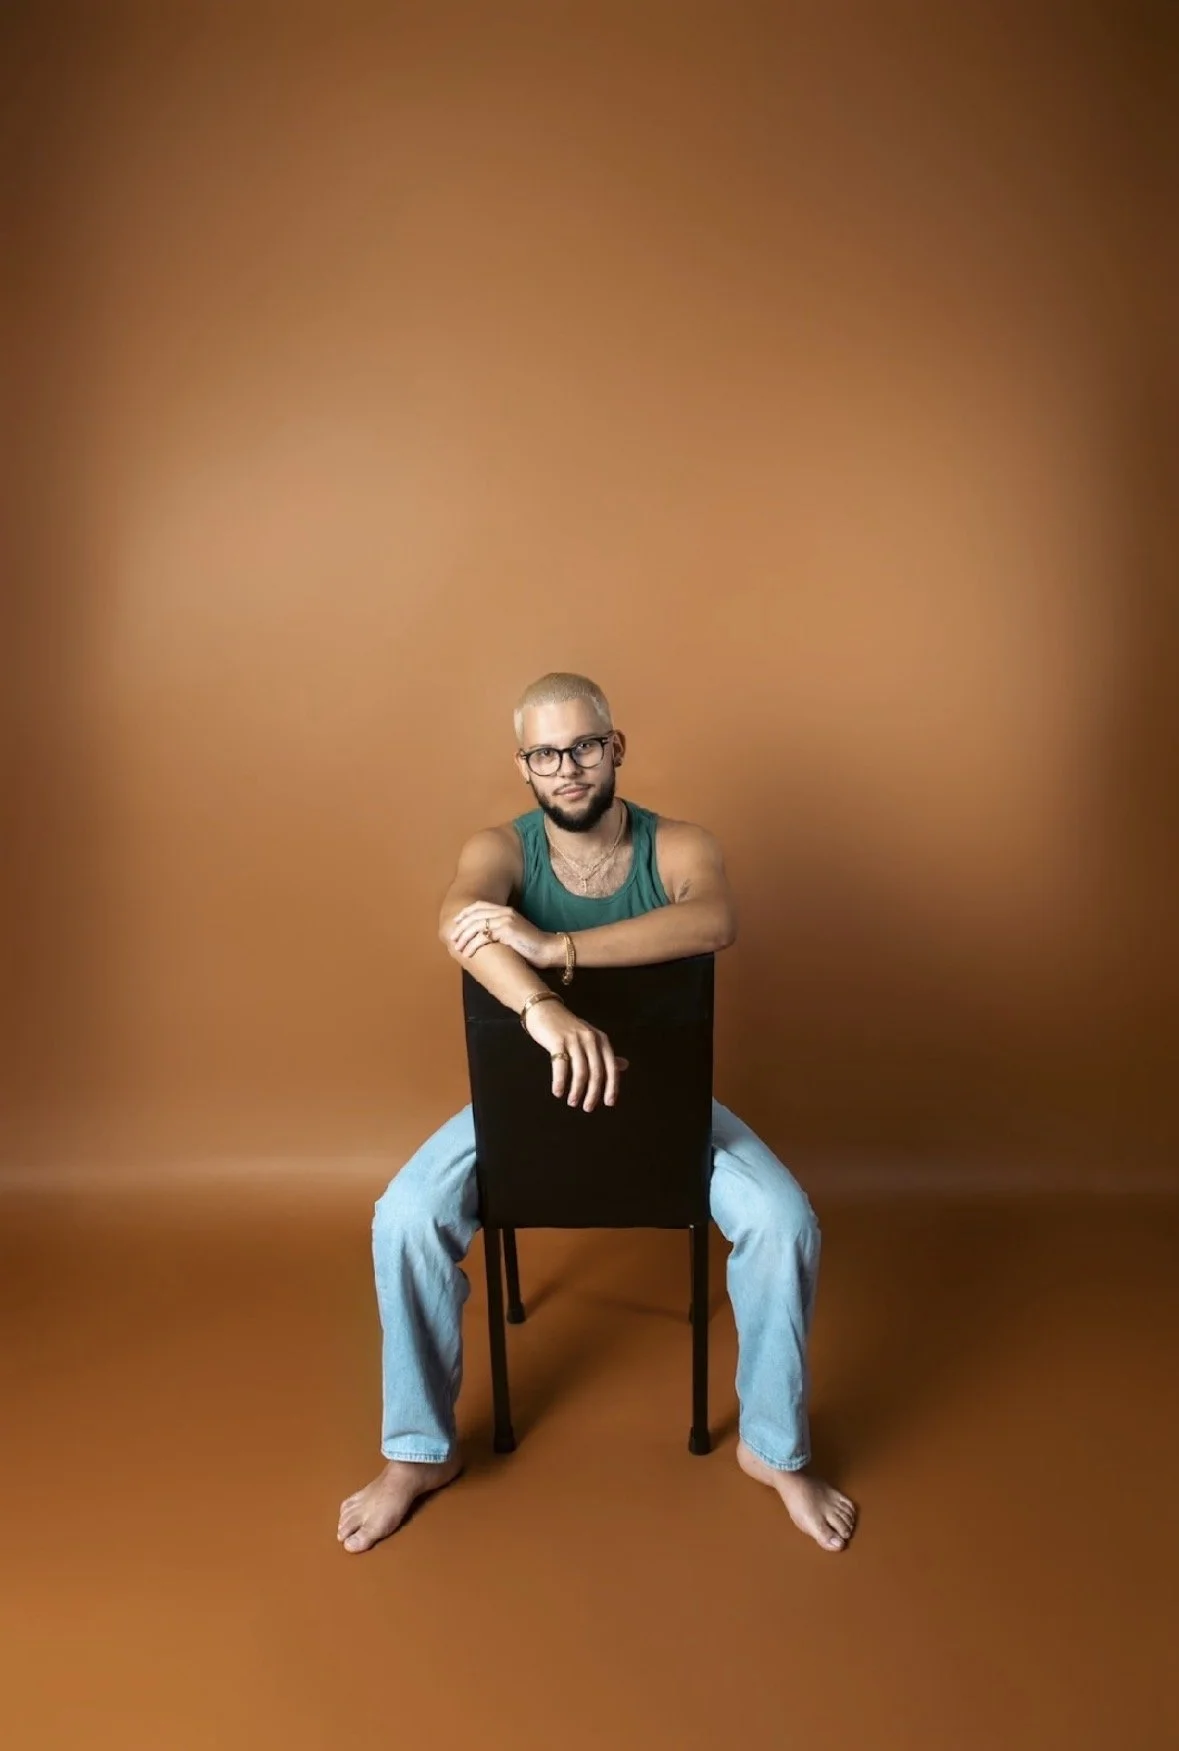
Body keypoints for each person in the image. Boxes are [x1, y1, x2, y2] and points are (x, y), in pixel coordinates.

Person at [338, 672, 857, 1555]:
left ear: (615, 747)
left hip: (663, 1094)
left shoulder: (678, 844)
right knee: (403, 1217)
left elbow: (715, 916)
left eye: (582, 746)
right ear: (524, 767)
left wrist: (552, 946)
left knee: (783, 1219)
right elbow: (461, 915)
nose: (566, 768)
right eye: (545, 754)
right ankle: (417, 1453)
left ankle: (772, 1449)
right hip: (521, 1095)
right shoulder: (501, 847)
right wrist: (545, 1010)